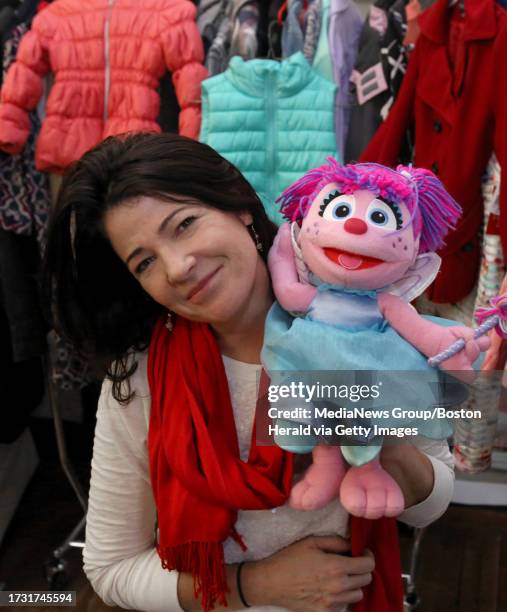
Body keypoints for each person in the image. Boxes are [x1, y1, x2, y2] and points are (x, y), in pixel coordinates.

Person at [43, 133, 455, 612]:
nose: (177, 268)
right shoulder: (140, 378)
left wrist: (381, 436)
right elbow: (110, 569)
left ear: (238, 206)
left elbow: (431, 503)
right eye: (146, 262)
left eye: (185, 225)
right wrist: (252, 586)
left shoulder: (370, 330)